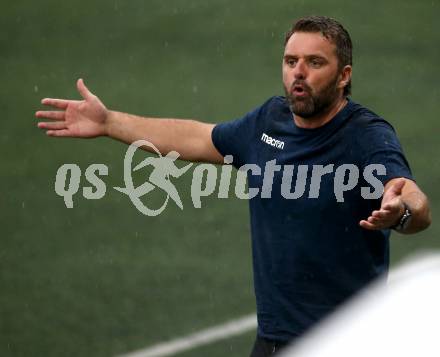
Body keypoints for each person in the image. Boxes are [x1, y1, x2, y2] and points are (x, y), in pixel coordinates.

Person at [36, 15, 431, 357]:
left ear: (344, 76)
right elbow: (196, 139)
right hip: (276, 340)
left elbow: (413, 200)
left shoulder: (365, 136)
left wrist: (402, 212)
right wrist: (109, 123)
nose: (299, 73)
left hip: (347, 342)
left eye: (314, 63)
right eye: (291, 61)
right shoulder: (267, 123)